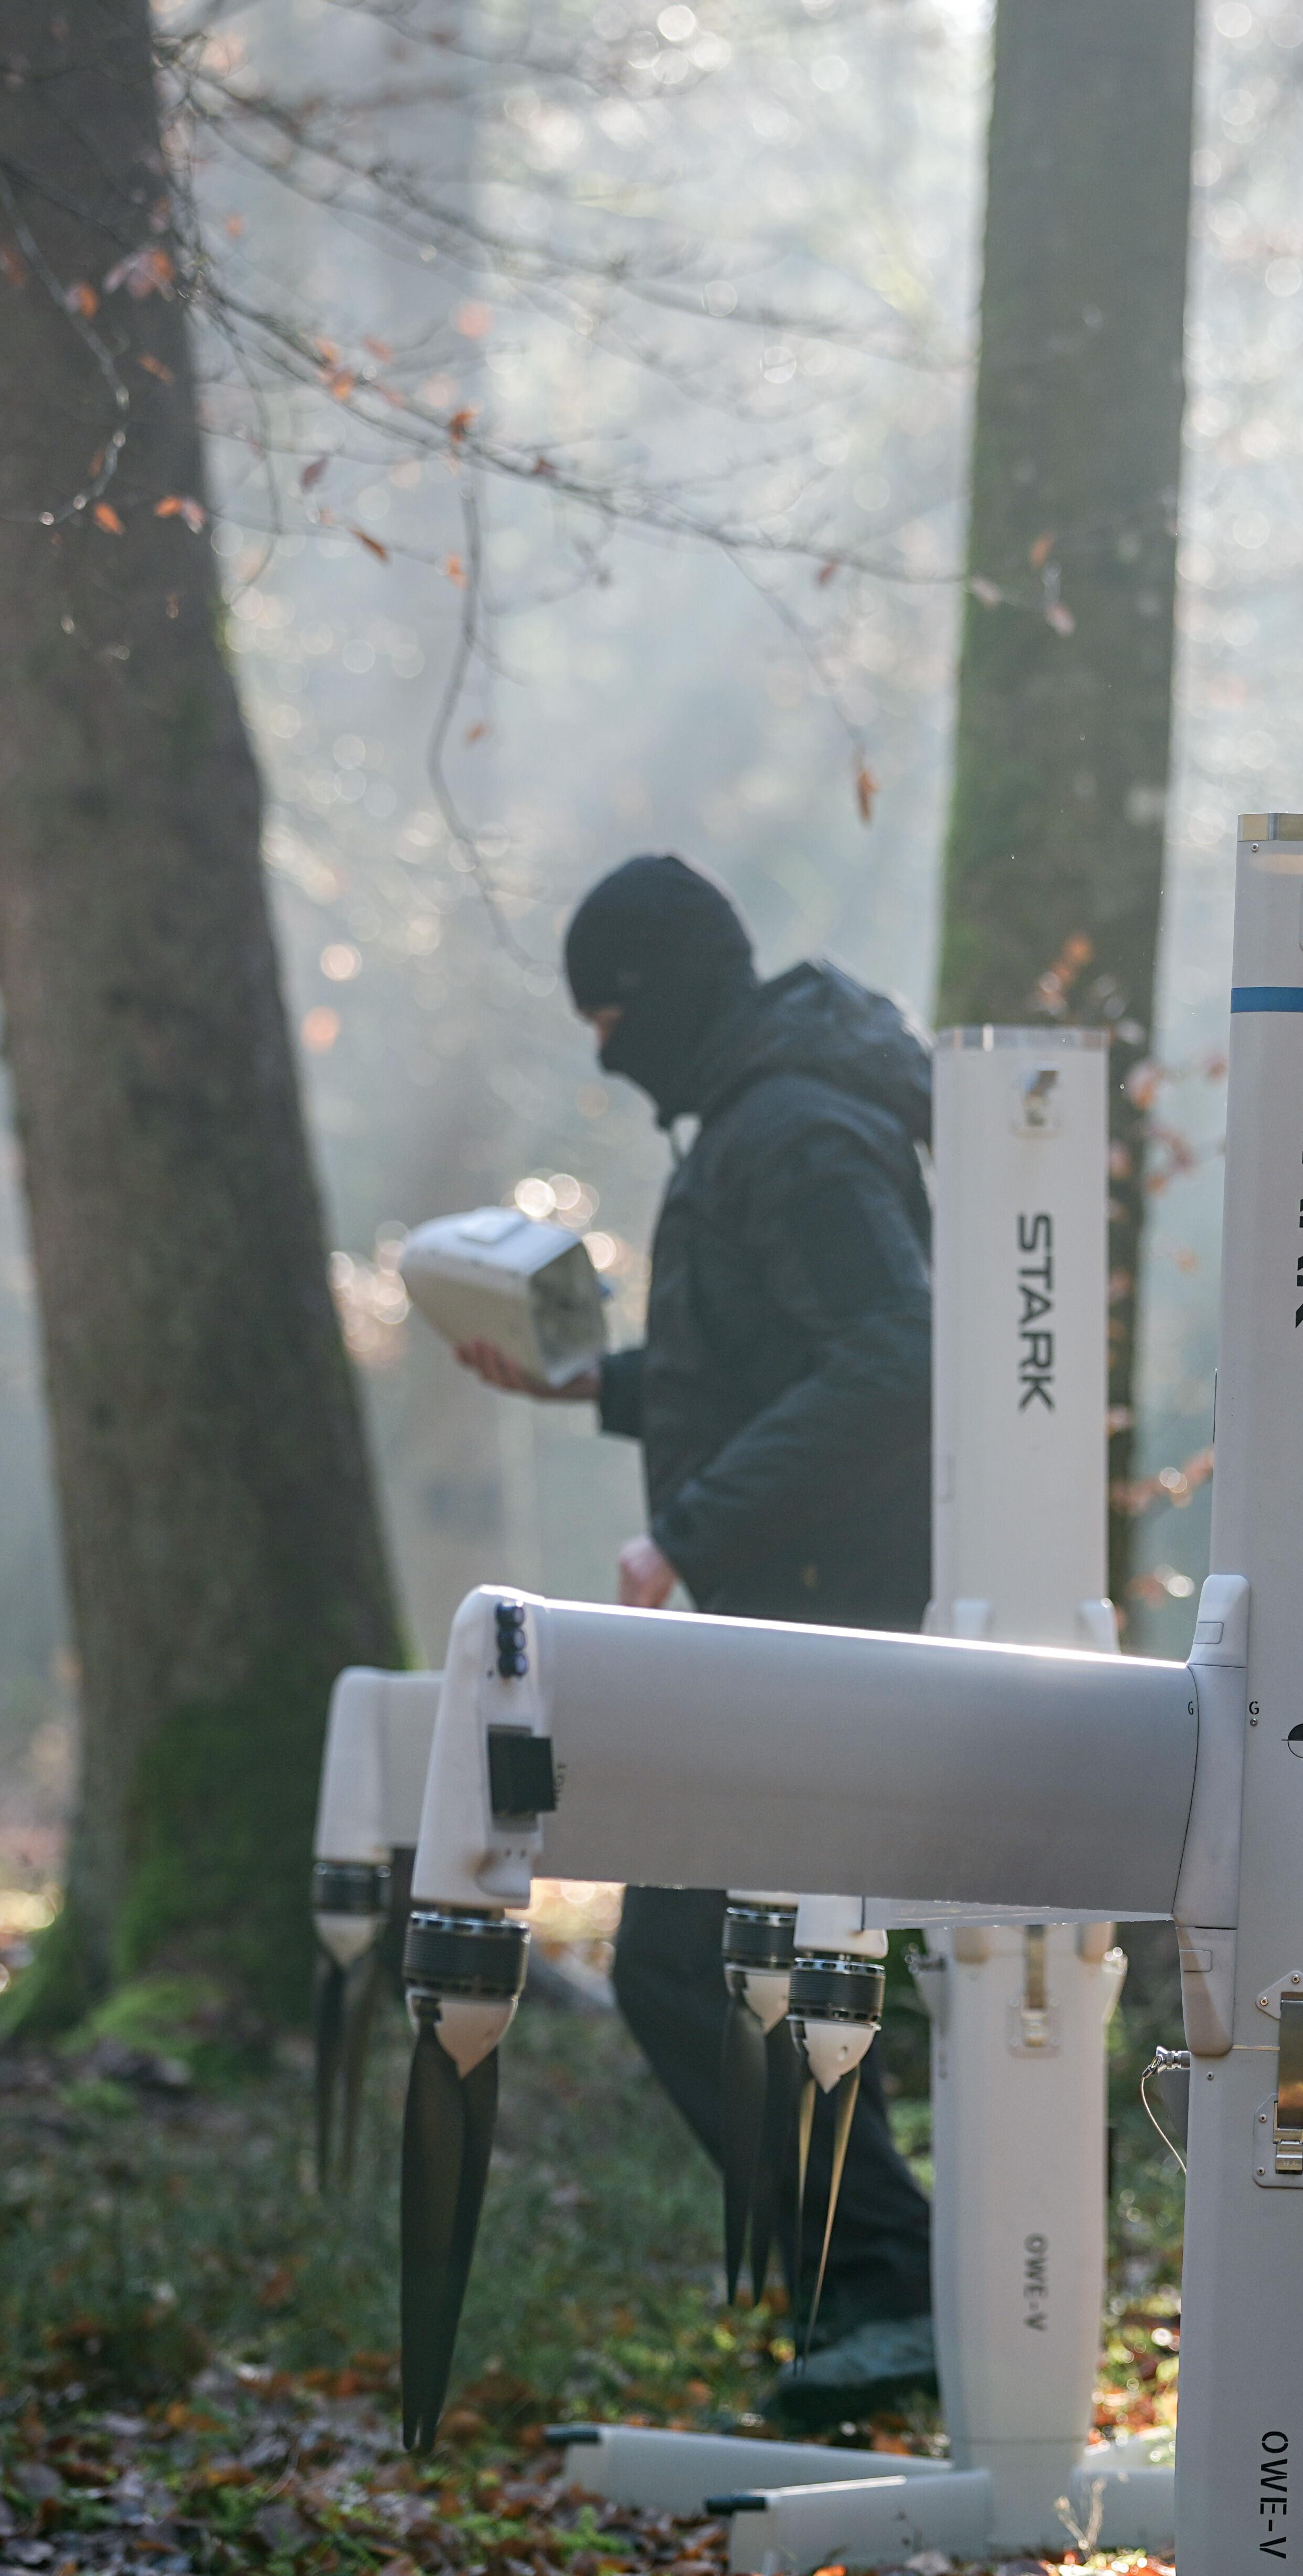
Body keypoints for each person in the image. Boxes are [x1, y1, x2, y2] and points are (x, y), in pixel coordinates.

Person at [455, 853, 945, 2431]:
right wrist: (591, 1386)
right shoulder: (766, 1115)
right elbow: (769, 1360)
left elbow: (897, 1356)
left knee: (688, 1963)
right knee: (747, 1960)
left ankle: (888, 2288)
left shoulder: (791, 1131)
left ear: (657, 997)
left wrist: (689, 1528)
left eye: (608, 1017)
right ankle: (871, 2293)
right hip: (794, 1617)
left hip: (819, 1620)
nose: (606, 1053)